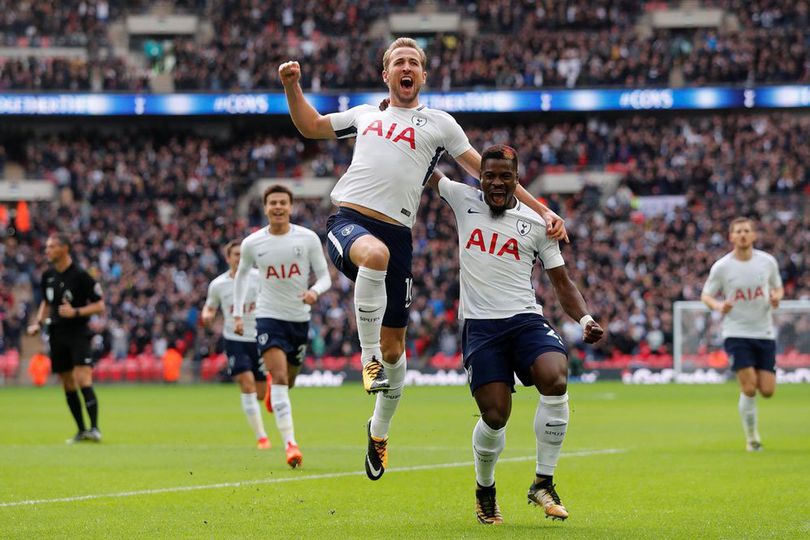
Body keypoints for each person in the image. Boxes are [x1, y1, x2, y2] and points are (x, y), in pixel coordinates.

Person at [278, 37, 568, 481]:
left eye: (414, 61)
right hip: (350, 221)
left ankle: (378, 429)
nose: (406, 67)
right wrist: (292, 86)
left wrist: (543, 210)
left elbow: (487, 173)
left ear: (424, 76)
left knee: (398, 356)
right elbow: (311, 126)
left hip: (400, 236)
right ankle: (366, 355)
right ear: (386, 74)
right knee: (373, 261)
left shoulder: (440, 124)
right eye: (398, 61)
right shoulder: (365, 114)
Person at [429, 146, 604, 524]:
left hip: (525, 320)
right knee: (495, 415)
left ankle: (543, 481)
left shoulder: (539, 224)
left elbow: (562, 282)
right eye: (488, 175)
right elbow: (425, 167)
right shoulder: (461, 198)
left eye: (504, 176)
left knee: (555, 377)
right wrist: (394, 117)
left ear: (516, 179)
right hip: (480, 326)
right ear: (480, 176)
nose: (495, 183)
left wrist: (585, 318)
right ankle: (485, 488)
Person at [233, 185, 331, 468]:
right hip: (267, 316)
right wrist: (239, 314)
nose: (277, 207)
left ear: (290, 207)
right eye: (272, 203)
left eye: (282, 203)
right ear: (265, 208)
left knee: (287, 381)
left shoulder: (307, 238)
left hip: (299, 318)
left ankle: (275, 395)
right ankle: (291, 444)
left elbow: (325, 277)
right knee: (278, 379)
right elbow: (241, 278)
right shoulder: (252, 243)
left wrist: (315, 292)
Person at [700, 217, 784, 452]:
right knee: (749, 388)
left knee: (767, 390)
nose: (743, 234)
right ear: (731, 237)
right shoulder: (722, 266)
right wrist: (718, 306)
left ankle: (752, 433)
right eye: (738, 231)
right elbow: (706, 295)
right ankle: (752, 438)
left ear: (754, 235)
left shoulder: (767, 262)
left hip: (764, 332)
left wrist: (777, 296)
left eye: (747, 230)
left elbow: (778, 286)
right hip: (736, 332)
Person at [27, 234, 105, 443]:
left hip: (78, 333)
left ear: (65, 248)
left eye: (51, 246)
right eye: (47, 246)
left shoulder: (81, 275)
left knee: (83, 378)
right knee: (68, 383)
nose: (47, 250)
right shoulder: (48, 275)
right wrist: (38, 322)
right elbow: (46, 302)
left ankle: (95, 428)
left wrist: (76, 312)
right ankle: (81, 430)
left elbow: (100, 305)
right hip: (56, 334)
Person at [202, 240, 270, 449]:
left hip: (258, 337)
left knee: (259, 394)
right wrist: (207, 315)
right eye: (235, 255)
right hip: (234, 340)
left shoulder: (259, 277)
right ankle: (262, 438)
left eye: (242, 254)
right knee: (246, 384)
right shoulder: (218, 284)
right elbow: (210, 307)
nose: (240, 258)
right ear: (228, 258)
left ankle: (268, 386)